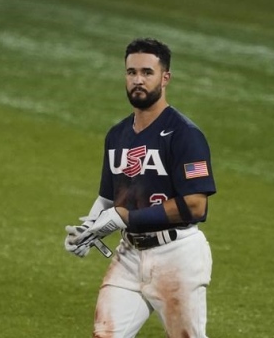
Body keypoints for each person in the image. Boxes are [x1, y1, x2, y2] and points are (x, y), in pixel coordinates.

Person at [64, 37, 217, 338]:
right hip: (129, 256)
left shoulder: (185, 135)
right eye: (131, 72)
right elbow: (110, 199)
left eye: (147, 72)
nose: (138, 80)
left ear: (165, 77)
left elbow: (196, 206)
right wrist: (88, 229)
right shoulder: (117, 135)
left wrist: (126, 219)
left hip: (177, 256)